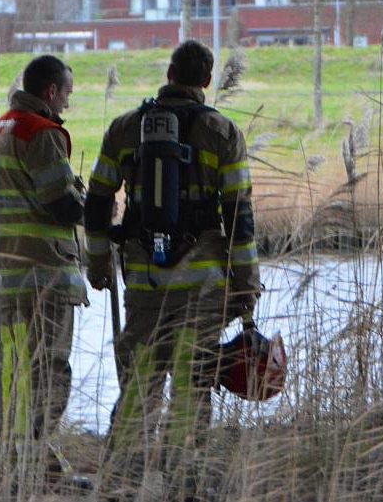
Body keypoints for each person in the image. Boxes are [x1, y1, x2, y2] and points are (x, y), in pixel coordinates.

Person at [84, 40, 261, 500]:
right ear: (206, 80)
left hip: (142, 281)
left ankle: (120, 483)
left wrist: (99, 261)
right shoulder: (223, 132)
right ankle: (186, 483)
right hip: (201, 286)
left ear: (168, 72)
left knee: (140, 379)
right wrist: (247, 285)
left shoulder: (124, 128)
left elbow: (98, 200)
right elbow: (239, 216)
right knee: (191, 381)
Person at [0, 54, 89, 491]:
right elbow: (60, 202)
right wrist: (86, 198)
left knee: (17, 370)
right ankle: (40, 463)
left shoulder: (2, 127)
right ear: (51, 92)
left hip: (8, 275)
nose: (67, 103)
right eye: (66, 93)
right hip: (46, 273)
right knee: (50, 369)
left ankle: (17, 460)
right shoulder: (44, 133)